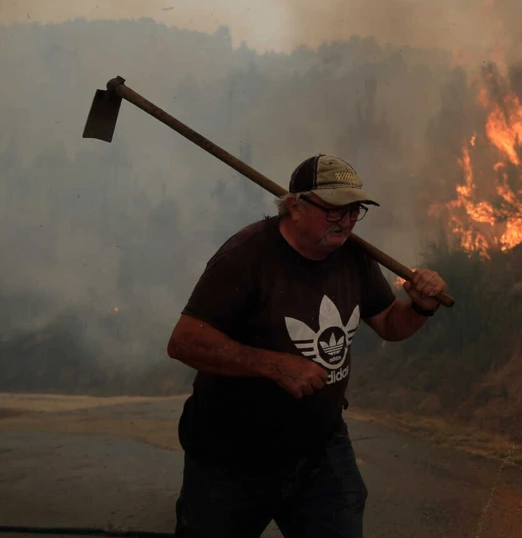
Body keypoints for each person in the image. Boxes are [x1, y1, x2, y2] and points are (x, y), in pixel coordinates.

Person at [166, 153, 447, 537]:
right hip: (233, 454)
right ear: (295, 206)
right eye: (334, 210)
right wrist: (275, 365)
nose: (346, 222)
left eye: (354, 211)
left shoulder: (354, 257)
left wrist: (420, 306)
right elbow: (184, 342)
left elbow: (390, 325)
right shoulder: (247, 256)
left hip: (320, 446)